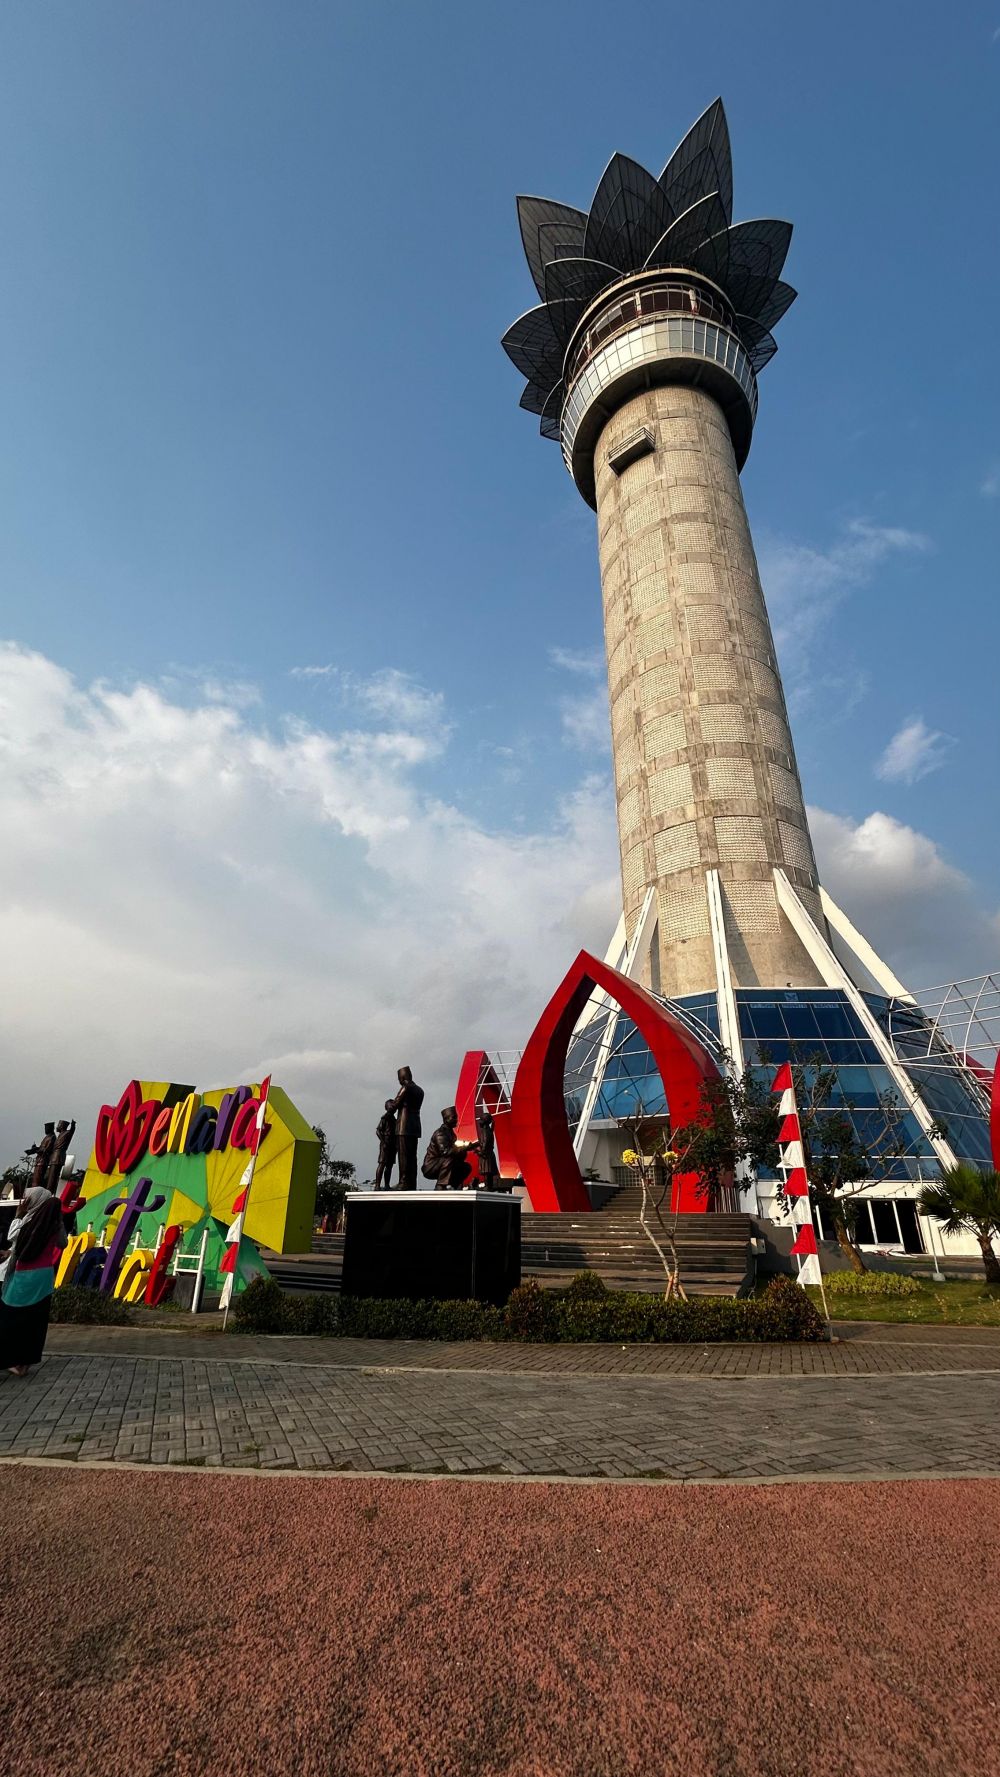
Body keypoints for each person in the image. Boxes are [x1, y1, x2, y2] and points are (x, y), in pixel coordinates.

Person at [0, 1186, 67, 1376]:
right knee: (36, 1319)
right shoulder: (54, 1223)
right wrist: (59, 1221)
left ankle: (9, 1359)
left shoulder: (30, 1220)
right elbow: (63, 1243)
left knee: (10, 1316)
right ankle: (24, 1362)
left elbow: (13, 1236)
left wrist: (18, 1215)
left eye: (26, 1199)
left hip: (25, 1275)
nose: (23, 1202)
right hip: (45, 1276)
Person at [421, 1107, 476, 1192]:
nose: (456, 1119)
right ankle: (440, 1186)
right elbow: (445, 1152)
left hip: (442, 1163)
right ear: (446, 1119)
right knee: (449, 1159)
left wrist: (466, 1149)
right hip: (431, 1166)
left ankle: (453, 1185)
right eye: (454, 1117)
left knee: (465, 1167)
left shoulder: (450, 1133)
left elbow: (454, 1151)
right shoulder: (441, 1133)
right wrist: (464, 1148)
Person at [391, 1067, 424, 1191]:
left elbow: (395, 1104)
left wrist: (386, 1115)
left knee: (403, 1155)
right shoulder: (420, 1090)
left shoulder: (406, 1088)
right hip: (415, 1126)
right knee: (412, 1156)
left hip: (403, 1126)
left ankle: (403, 1182)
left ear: (402, 1077)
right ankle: (412, 1182)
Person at [374, 1100, 397, 1190]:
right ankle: (377, 1185)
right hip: (386, 1144)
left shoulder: (394, 1120)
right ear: (386, 1107)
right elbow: (378, 1131)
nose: (392, 1107)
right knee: (382, 1163)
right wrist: (383, 1142)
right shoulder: (385, 1118)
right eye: (390, 1105)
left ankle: (387, 1185)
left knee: (389, 1165)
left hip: (392, 1144)